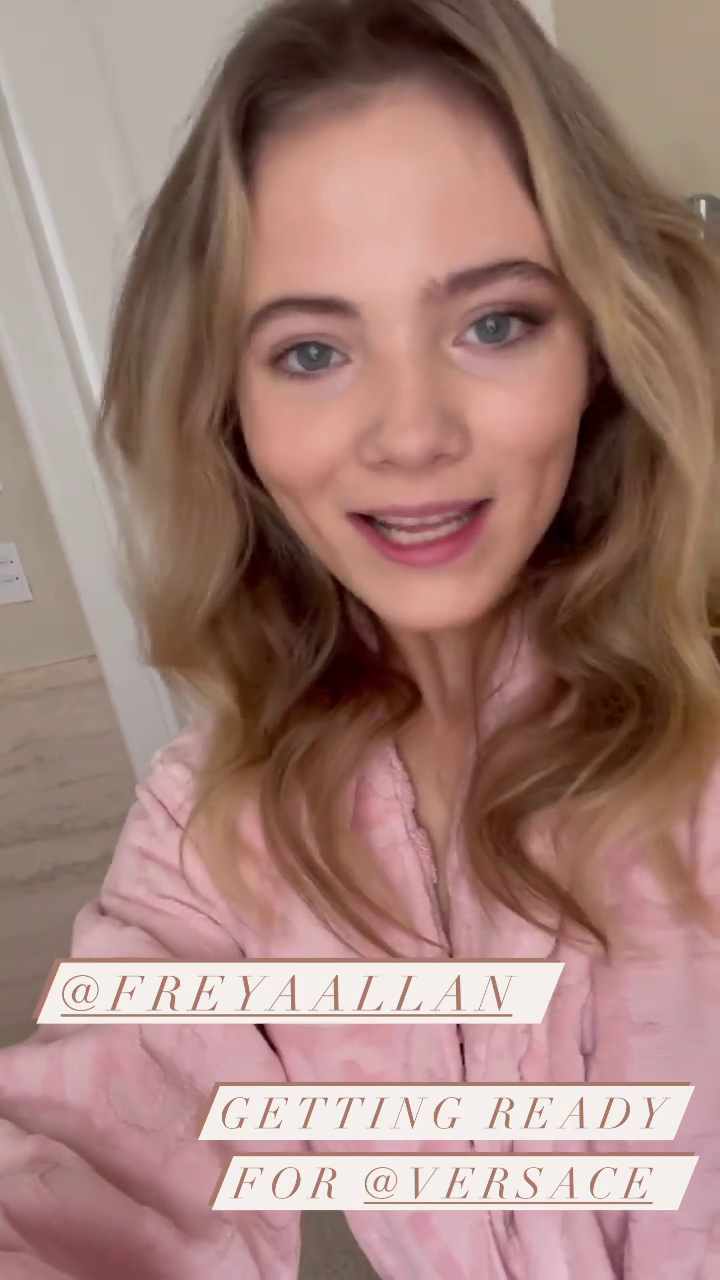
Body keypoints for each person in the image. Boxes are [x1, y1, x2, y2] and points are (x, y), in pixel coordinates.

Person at [2, 0, 720, 1274]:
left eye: (495, 322)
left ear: (602, 349)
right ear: (228, 408)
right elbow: (86, 1154)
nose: (410, 432)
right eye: (312, 350)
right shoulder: (214, 823)